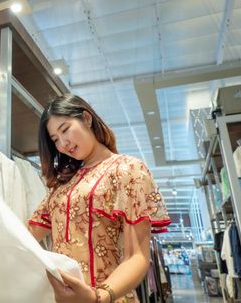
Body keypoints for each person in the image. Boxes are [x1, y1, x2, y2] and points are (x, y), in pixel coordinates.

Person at [27, 94, 171, 303]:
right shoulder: (62, 187)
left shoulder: (128, 169)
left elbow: (137, 256)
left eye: (65, 129)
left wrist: (98, 297)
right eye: (55, 139)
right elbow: (29, 233)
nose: (63, 143)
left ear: (87, 118)